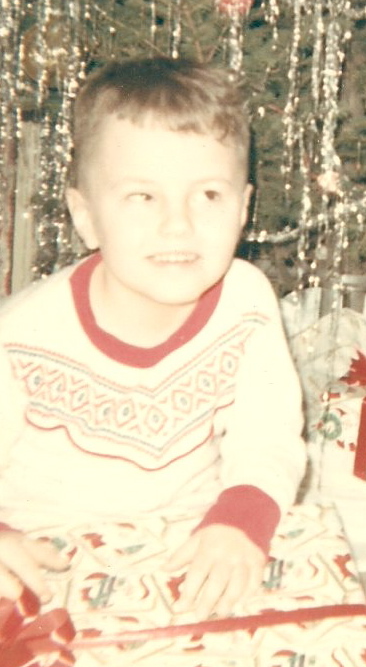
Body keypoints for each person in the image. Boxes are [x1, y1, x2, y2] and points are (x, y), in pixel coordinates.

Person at [0, 57, 307, 620]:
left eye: (208, 195)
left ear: (243, 207)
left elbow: (269, 436)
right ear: (85, 215)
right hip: (38, 552)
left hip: (186, 541)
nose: (178, 225)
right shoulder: (21, 336)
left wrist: (240, 519)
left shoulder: (245, 301)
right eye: (143, 197)